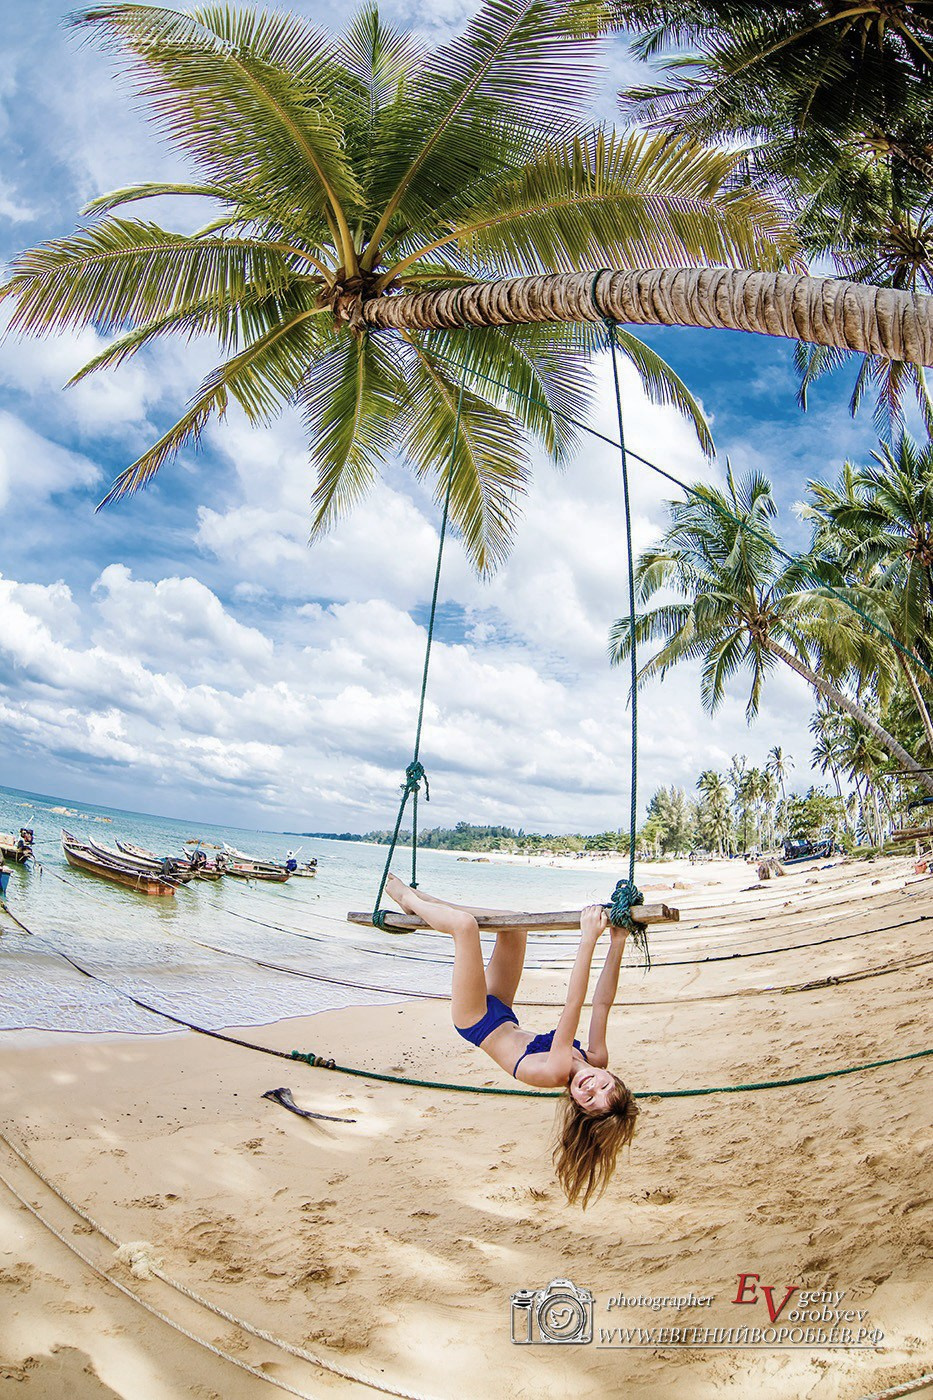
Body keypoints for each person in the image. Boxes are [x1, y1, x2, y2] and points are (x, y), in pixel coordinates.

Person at [385, 873, 639, 1207]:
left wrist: (589, 938)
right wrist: (617, 941)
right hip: (502, 1012)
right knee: (515, 928)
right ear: (613, 1077)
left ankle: (408, 900)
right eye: (604, 1087)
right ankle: (428, 902)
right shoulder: (596, 1057)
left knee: (464, 928)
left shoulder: (556, 1071)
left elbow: (573, 1006)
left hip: (475, 1018)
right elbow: (602, 1002)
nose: (592, 1087)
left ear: (577, 1105)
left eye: (590, 1099)